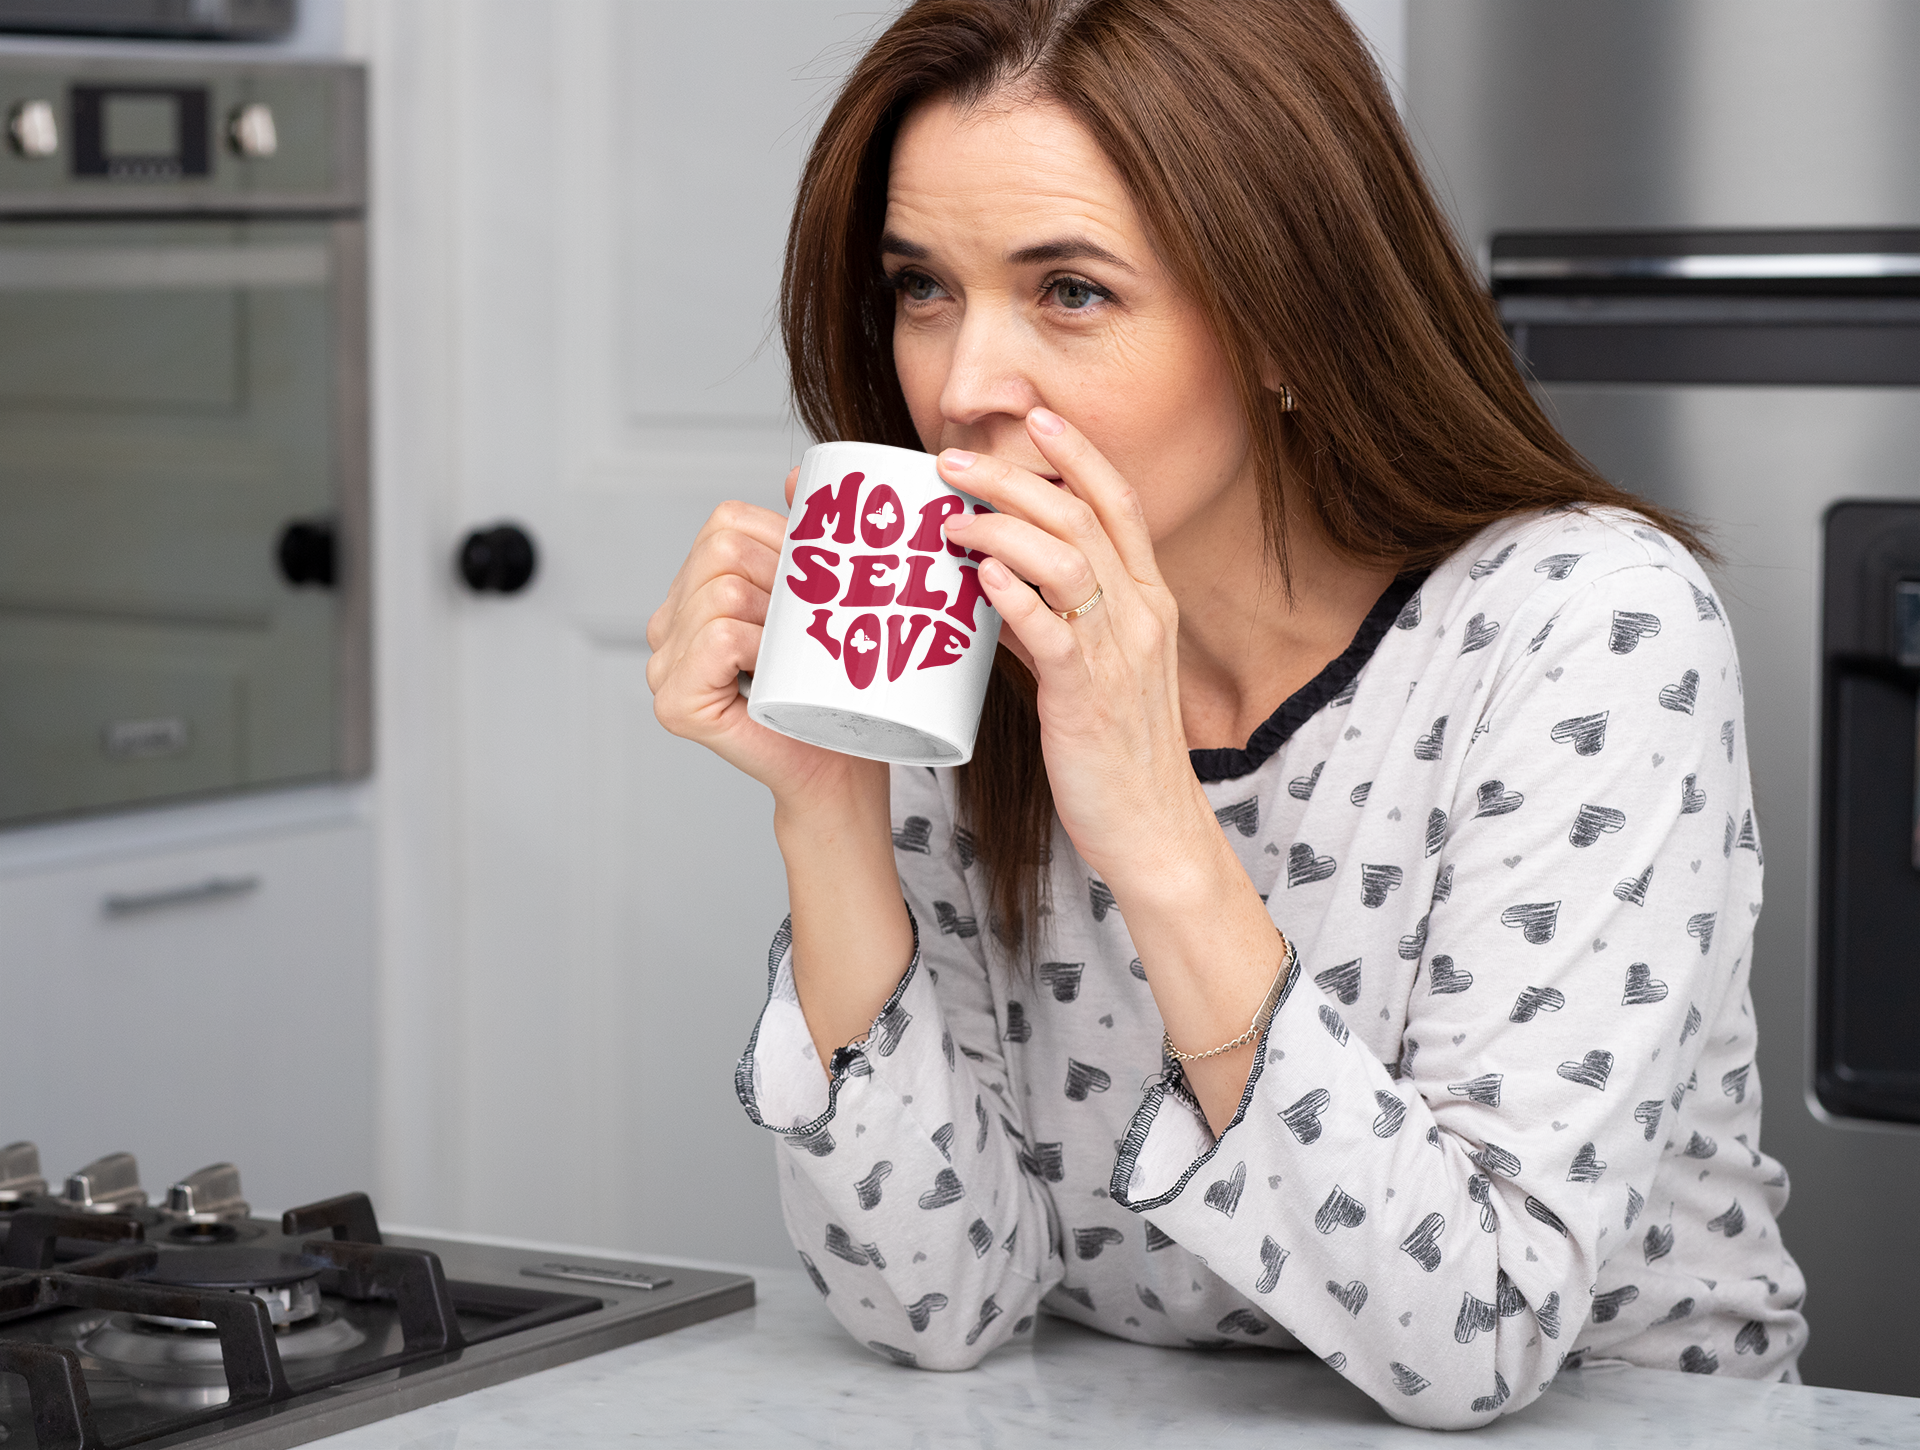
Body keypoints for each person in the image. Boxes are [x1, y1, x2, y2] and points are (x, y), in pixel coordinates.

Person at [645, 0, 1805, 1428]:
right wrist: (827, 799)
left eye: (1069, 290)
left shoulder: (1587, 628)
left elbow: (1479, 1336)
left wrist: (1153, 823)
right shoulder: (987, 646)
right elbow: (934, 1302)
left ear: (1283, 321)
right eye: (923, 287)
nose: (957, 387)